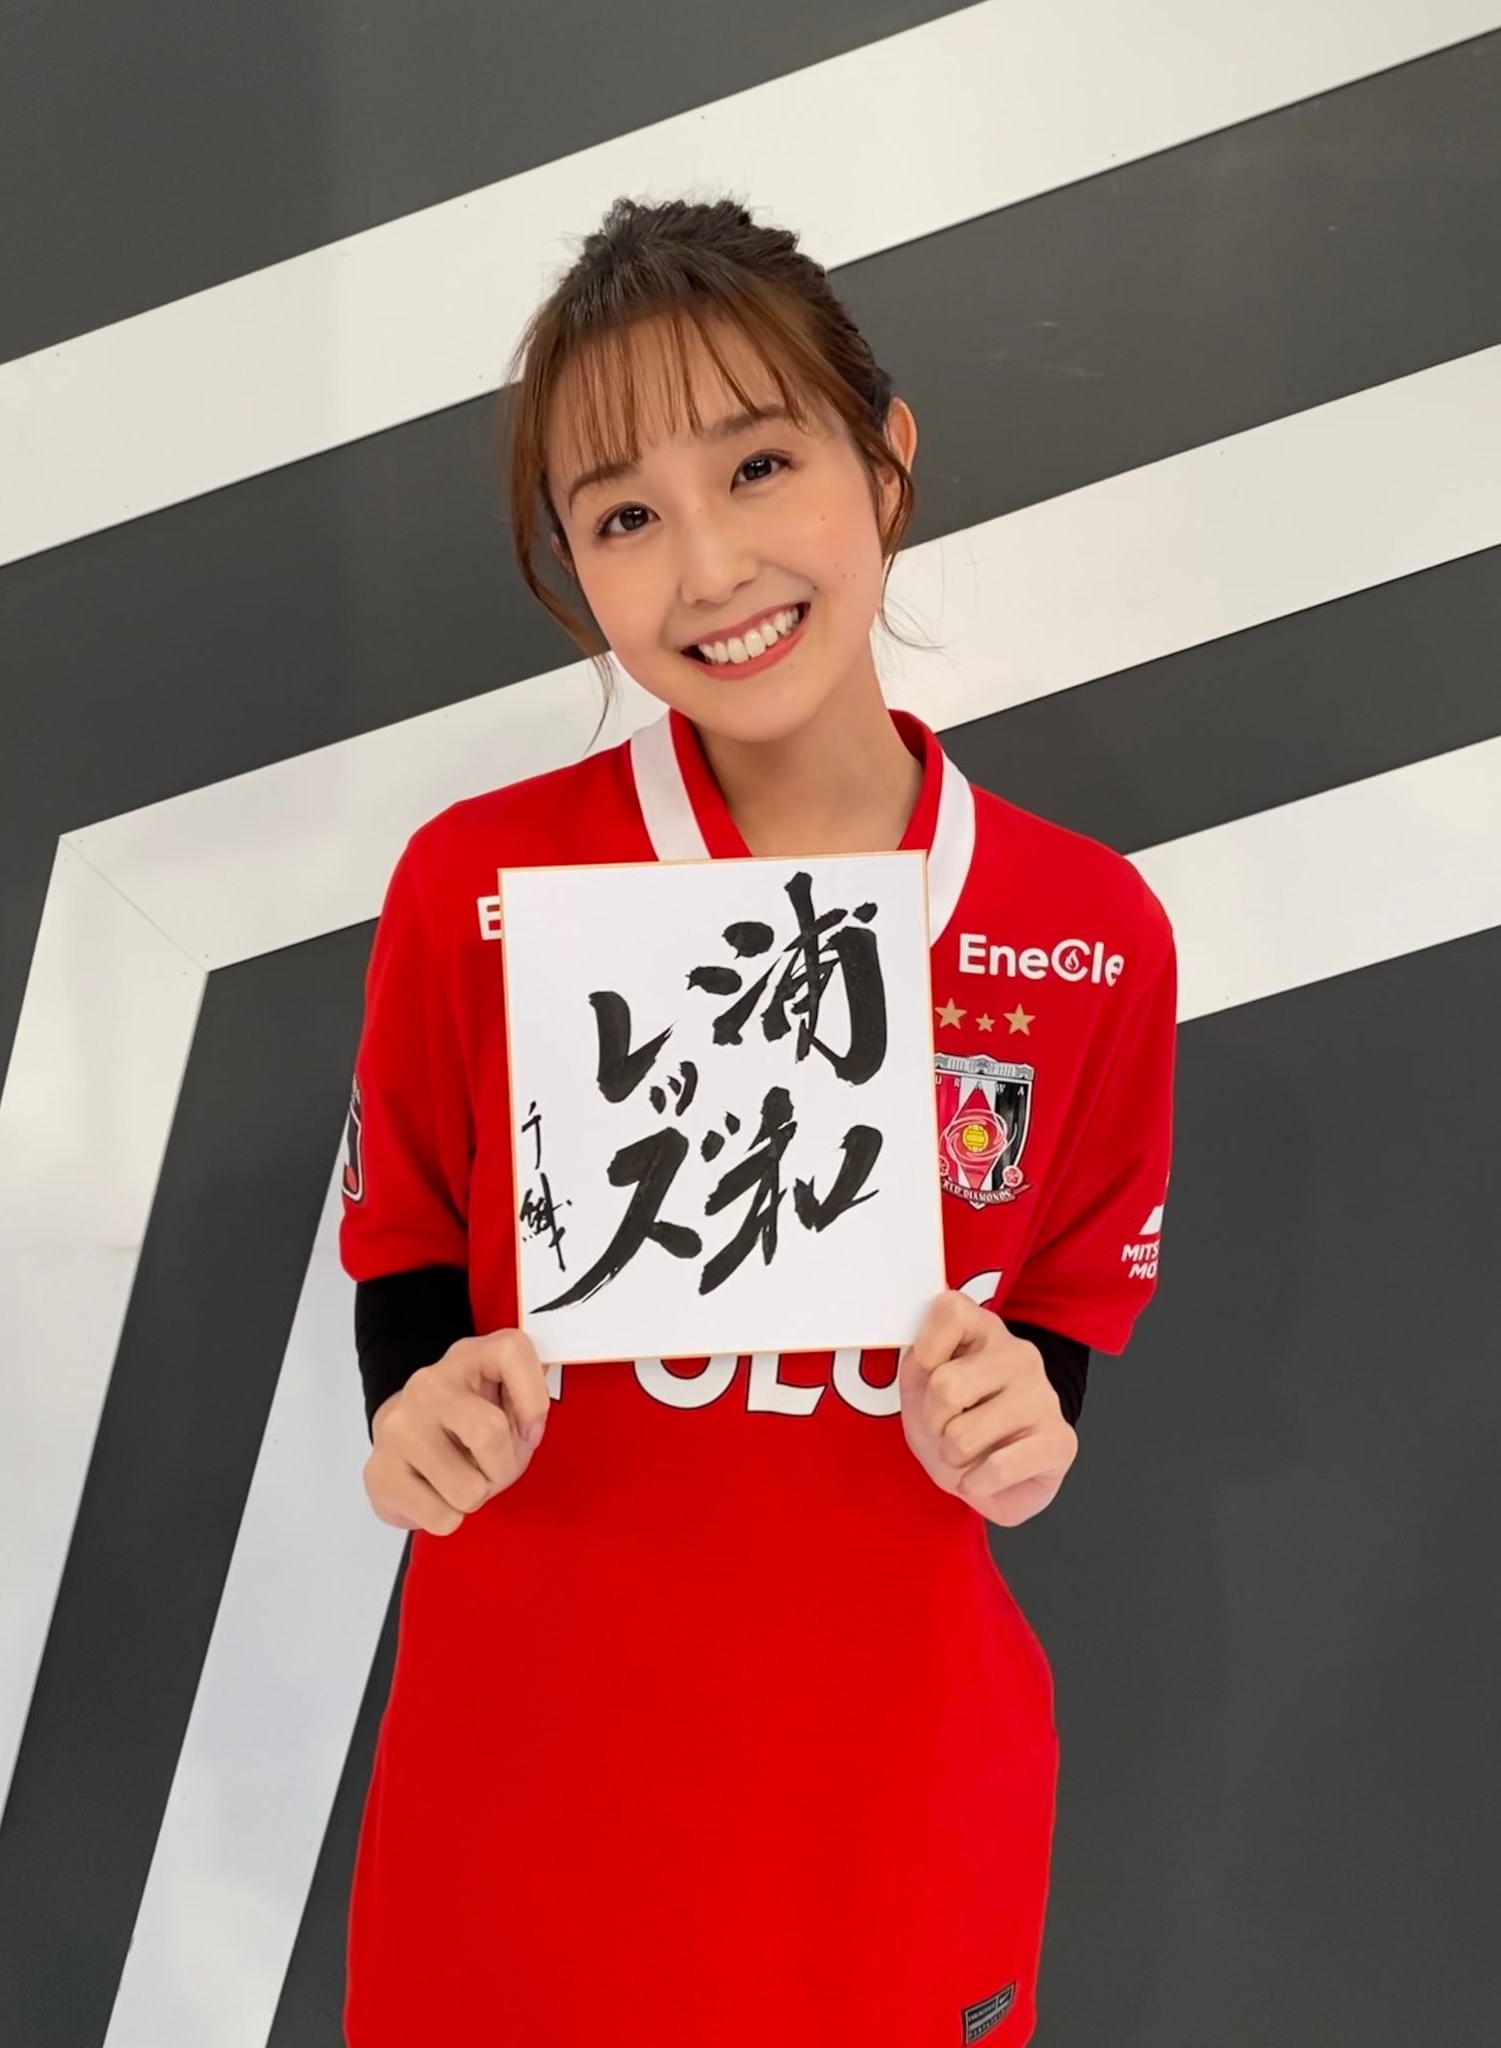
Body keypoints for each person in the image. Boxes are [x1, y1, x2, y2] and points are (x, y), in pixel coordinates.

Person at [338, 194, 1178, 2048]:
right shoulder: (476, 887)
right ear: (575, 567)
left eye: (759, 464)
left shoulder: (1088, 929)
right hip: (525, 1816)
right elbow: (406, 1246)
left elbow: (1057, 1326)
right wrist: (412, 1425)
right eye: (625, 515)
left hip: (889, 1831)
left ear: (888, 459)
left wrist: (1021, 1433)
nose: (709, 566)